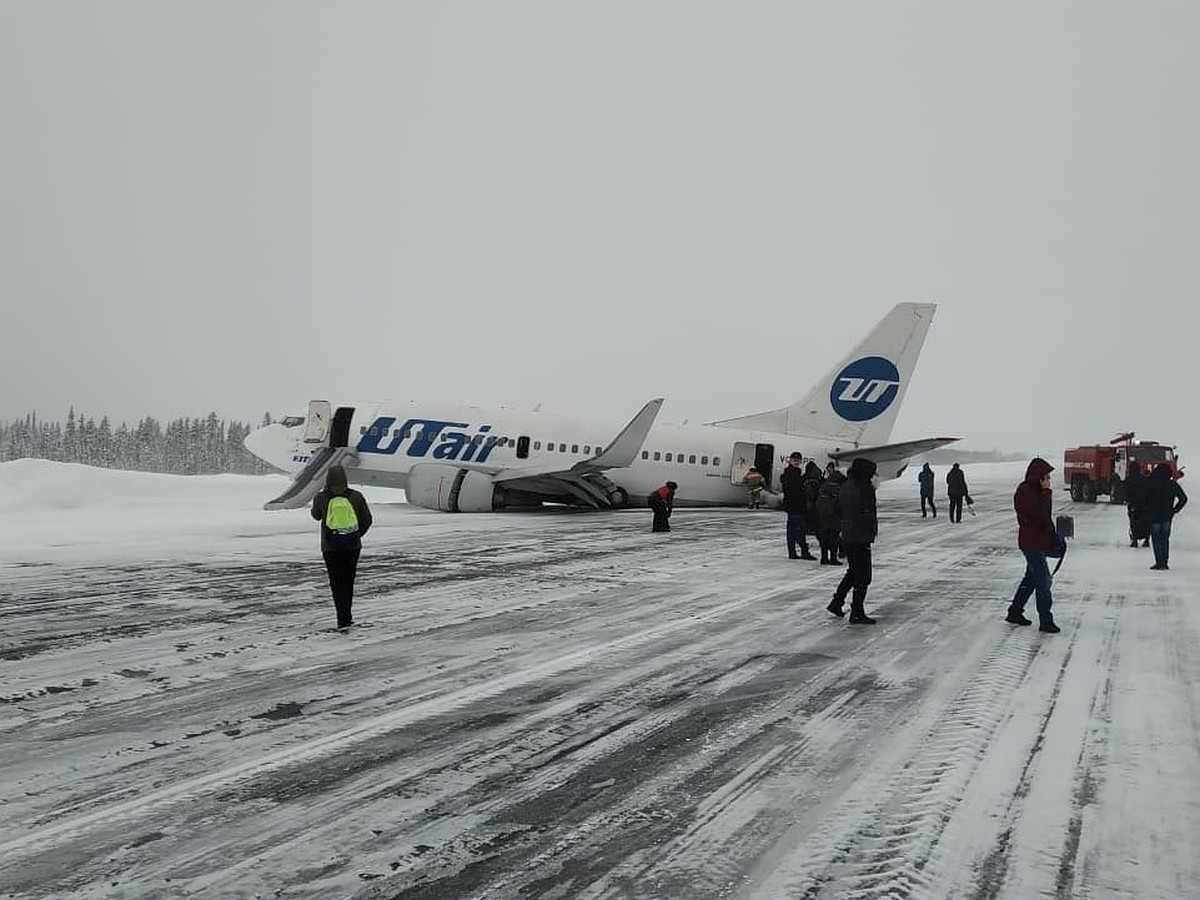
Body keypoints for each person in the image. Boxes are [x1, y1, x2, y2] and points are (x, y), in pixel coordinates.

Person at [311, 463, 373, 632]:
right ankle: (348, 616)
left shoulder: (322, 497)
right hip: (352, 547)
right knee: (348, 581)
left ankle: (342, 617)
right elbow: (367, 520)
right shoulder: (356, 496)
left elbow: (316, 516)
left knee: (336, 583)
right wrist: (354, 536)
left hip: (330, 547)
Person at [1006, 457, 1059, 633]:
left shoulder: (1036, 491)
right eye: (1047, 477)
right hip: (1031, 543)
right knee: (1043, 580)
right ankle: (1045, 619)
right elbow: (1039, 516)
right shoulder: (1026, 492)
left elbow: (1046, 518)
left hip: (1038, 542)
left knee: (1031, 579)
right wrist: (1046, 494)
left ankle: (1015, 611)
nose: (1049, 481)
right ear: (1039, 477)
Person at [827, 458, 878, 624]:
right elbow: (867, 514)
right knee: (863, 576)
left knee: (853, 572)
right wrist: (869, 530)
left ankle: (837, 602)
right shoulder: (864, 489)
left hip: (849, 536)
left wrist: (846, 524)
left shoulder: (846, 486)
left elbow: (835, 510)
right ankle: (856, 610)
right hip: (860, 537)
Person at [1142, 463, 1187, 570]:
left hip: (1154, 516)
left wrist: (1147, 509)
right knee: (1165, 539)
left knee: (1156, 539)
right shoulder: (1172, 484)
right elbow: (1183, 498)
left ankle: (1159, 562)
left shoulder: (1151, 483)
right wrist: (1175, 510)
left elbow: (1144, 498)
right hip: (1167, 516)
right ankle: (1165, 561)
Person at [780, 453, 815, 559]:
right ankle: (804, 552)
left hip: (791, 506)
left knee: (792, 530)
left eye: (798, 460)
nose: (797, 462)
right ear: (790, 461)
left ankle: (792, 552)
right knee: (800, 529)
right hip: (796, 506)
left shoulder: (790, 472)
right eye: (794, 460)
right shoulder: (793, 473)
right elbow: (795, 489)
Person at [815, 467, 846, 565]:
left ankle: (824, 558)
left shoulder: (823, 488)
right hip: (834, 517)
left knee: (824, 538)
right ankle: (833, 558)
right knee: (834, 538)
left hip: (823, 517)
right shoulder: (838, 490)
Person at [1124, 462, 1150, 548]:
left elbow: (1126, 492)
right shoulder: (1144, 479)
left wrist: (1128, 501)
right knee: (1145, 522)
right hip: (1144, 505)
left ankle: (1134, 540)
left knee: (1133, 522)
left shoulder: (1128, 480)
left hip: (1133, 505)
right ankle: (1146, 539)